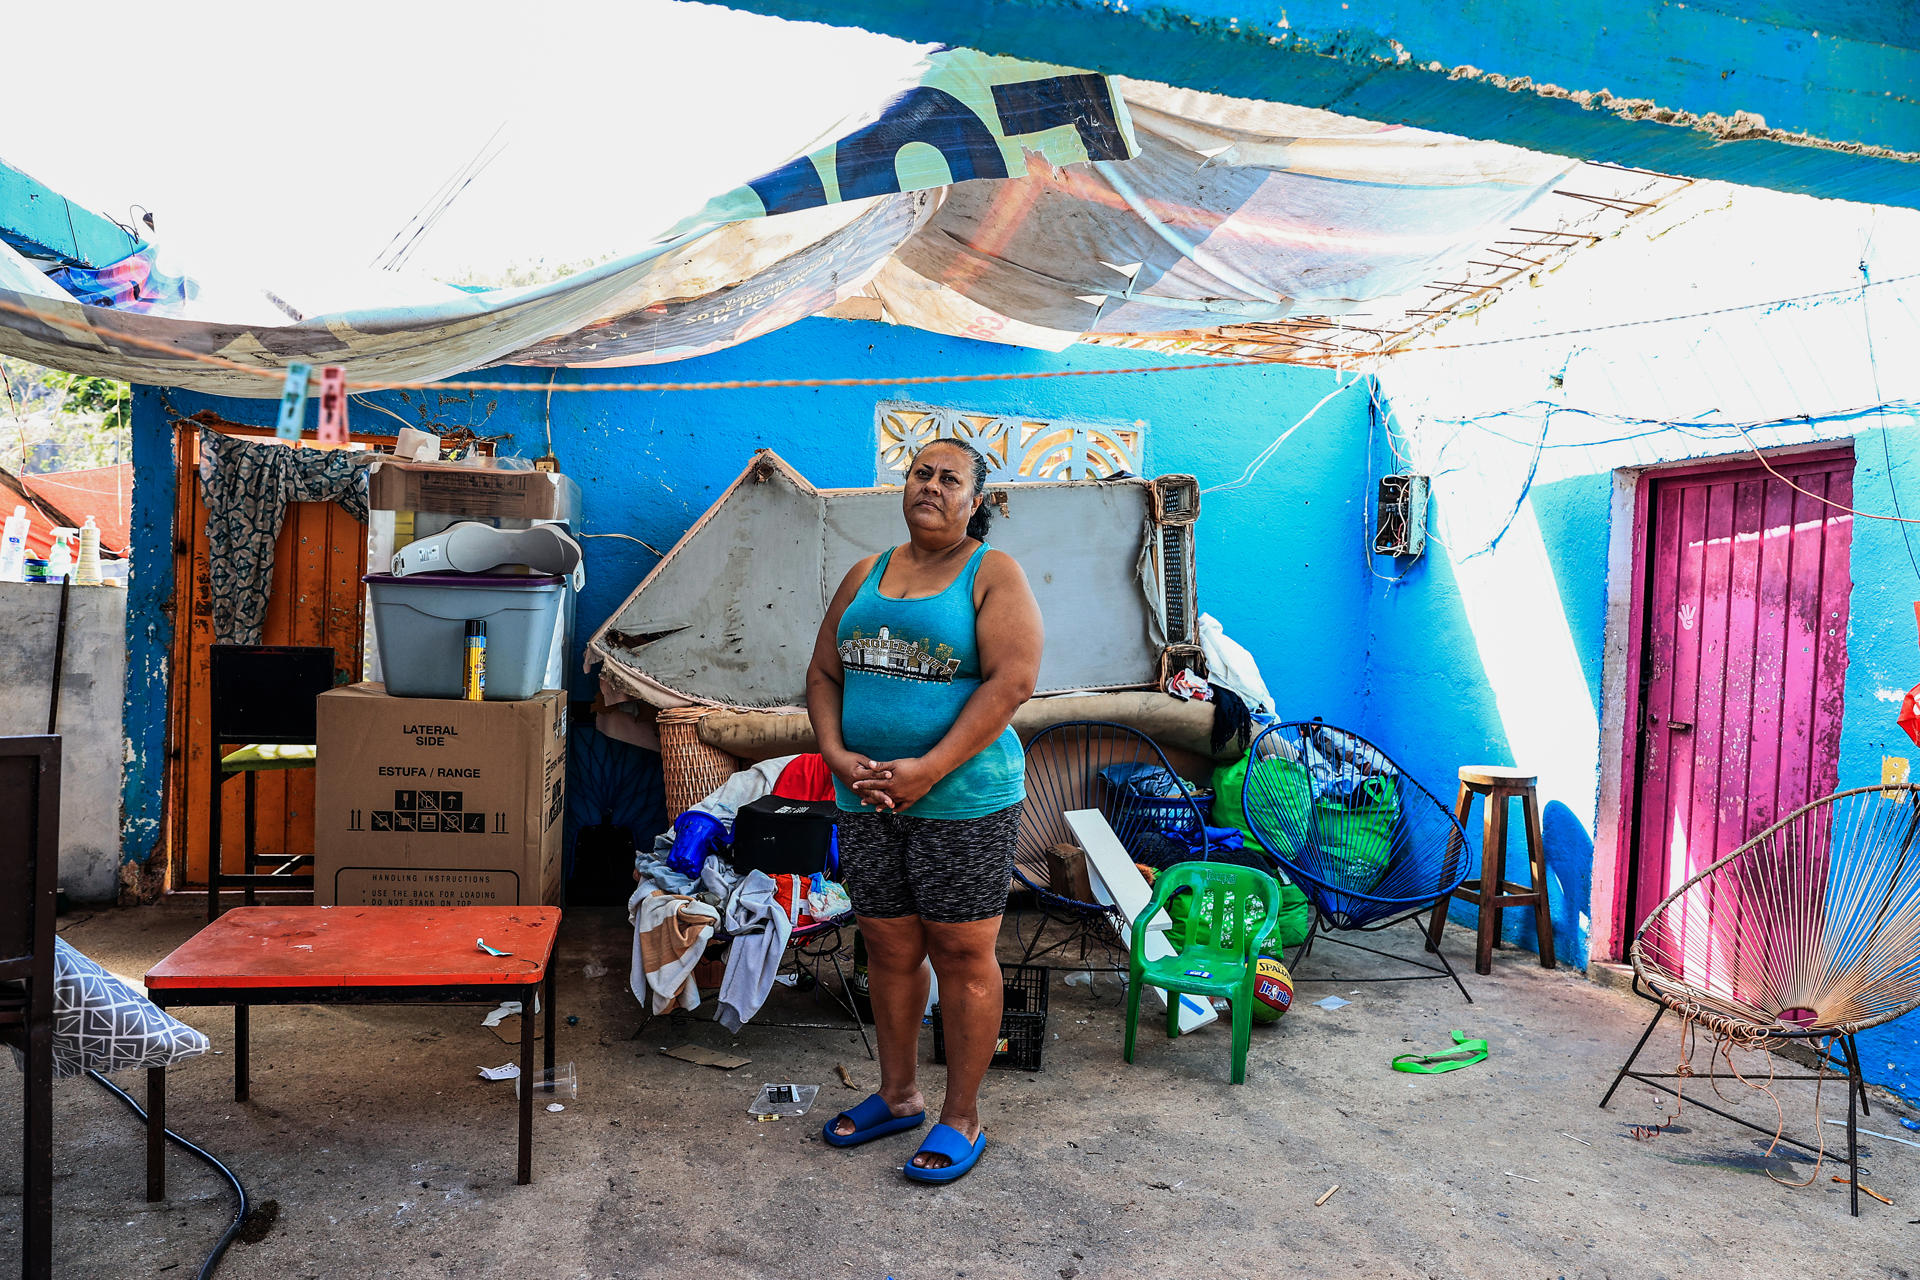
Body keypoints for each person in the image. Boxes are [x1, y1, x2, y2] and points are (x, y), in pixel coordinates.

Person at [807, 437, 1043, 1183]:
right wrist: (838, 758)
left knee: (962, 953)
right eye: (919, 473)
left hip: (963, 802)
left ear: (976, 502)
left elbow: (1012, 682)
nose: (930, 486)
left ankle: (962, 1116)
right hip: (868, 796)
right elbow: (821, 673)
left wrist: (928, 770)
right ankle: (899, 1095)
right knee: (887, 948)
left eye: (950, 479)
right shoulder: (865, 575)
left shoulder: (991, 573)